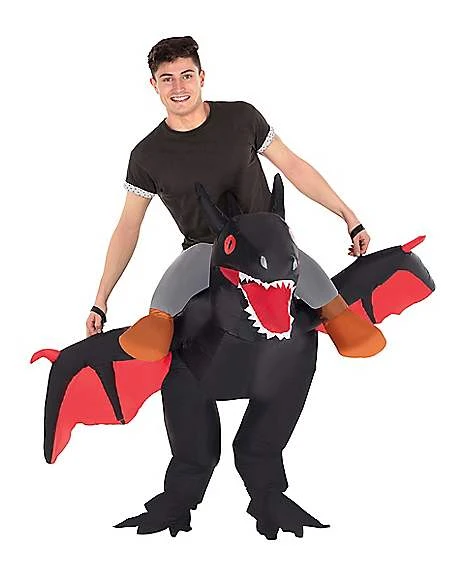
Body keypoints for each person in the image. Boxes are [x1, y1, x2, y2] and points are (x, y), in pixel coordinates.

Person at [86, 36, 380, 360]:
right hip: (211, 254)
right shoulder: (147, 155)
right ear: (154, 85)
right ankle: (158, 321)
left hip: (269, 246)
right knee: (192, 265)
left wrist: (349, 217)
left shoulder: (242, 118)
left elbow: (293, 166)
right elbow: (128, 226)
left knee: (293, 261)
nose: (178, 87)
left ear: (201, 77)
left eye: (186, 75)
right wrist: (101, 299)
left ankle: (340, 318)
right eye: (167, 79)